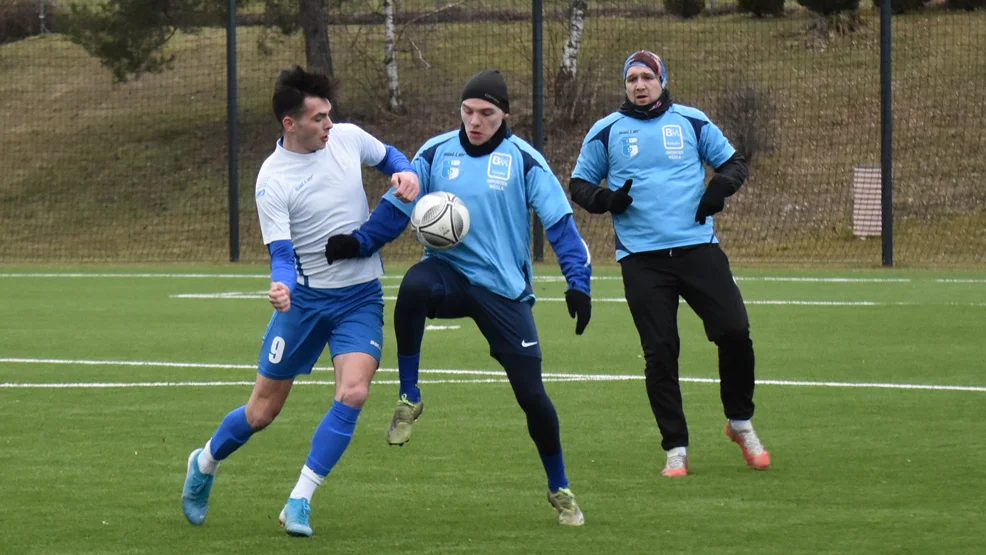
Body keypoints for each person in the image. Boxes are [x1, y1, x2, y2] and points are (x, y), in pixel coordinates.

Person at [324, 69, 592, 526]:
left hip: (502, 289)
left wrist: (578, 284)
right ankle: (409, 395)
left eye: (486, 113)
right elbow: (398, 206)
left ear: (505, 115)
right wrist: (359, 242)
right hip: (447, 275)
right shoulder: (435, 153)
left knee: (533, 398)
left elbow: (561, 226)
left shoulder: (524, 161)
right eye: (468, 111)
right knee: (412, 287)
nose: (475, 121)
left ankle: (559, 486)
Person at [180, 66, 419, 537]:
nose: (329, 124)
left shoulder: (347, 138)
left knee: (354, 391)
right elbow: (283, 254)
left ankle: (299, 500)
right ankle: (204, 462)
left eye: (329, 114)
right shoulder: (273, 180)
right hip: (305, 304)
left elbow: (390, 156)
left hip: (360, 298)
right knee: (261, 413)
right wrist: (281, 286)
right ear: (290, 123)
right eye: (318, 118)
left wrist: (406, 172)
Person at [567, 50, 770, 478]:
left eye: (647, 77)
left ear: (662, 80)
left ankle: (739, 422)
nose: (639, 85)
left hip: (698, 250)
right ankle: (676, 448)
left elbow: (735, 164)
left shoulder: (691, 121)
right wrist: (607, 199)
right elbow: (579, 184)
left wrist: (718, 190)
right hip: (642, 260)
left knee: (734, 331)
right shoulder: (607, 131)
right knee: (660, 353)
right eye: (632, 79)